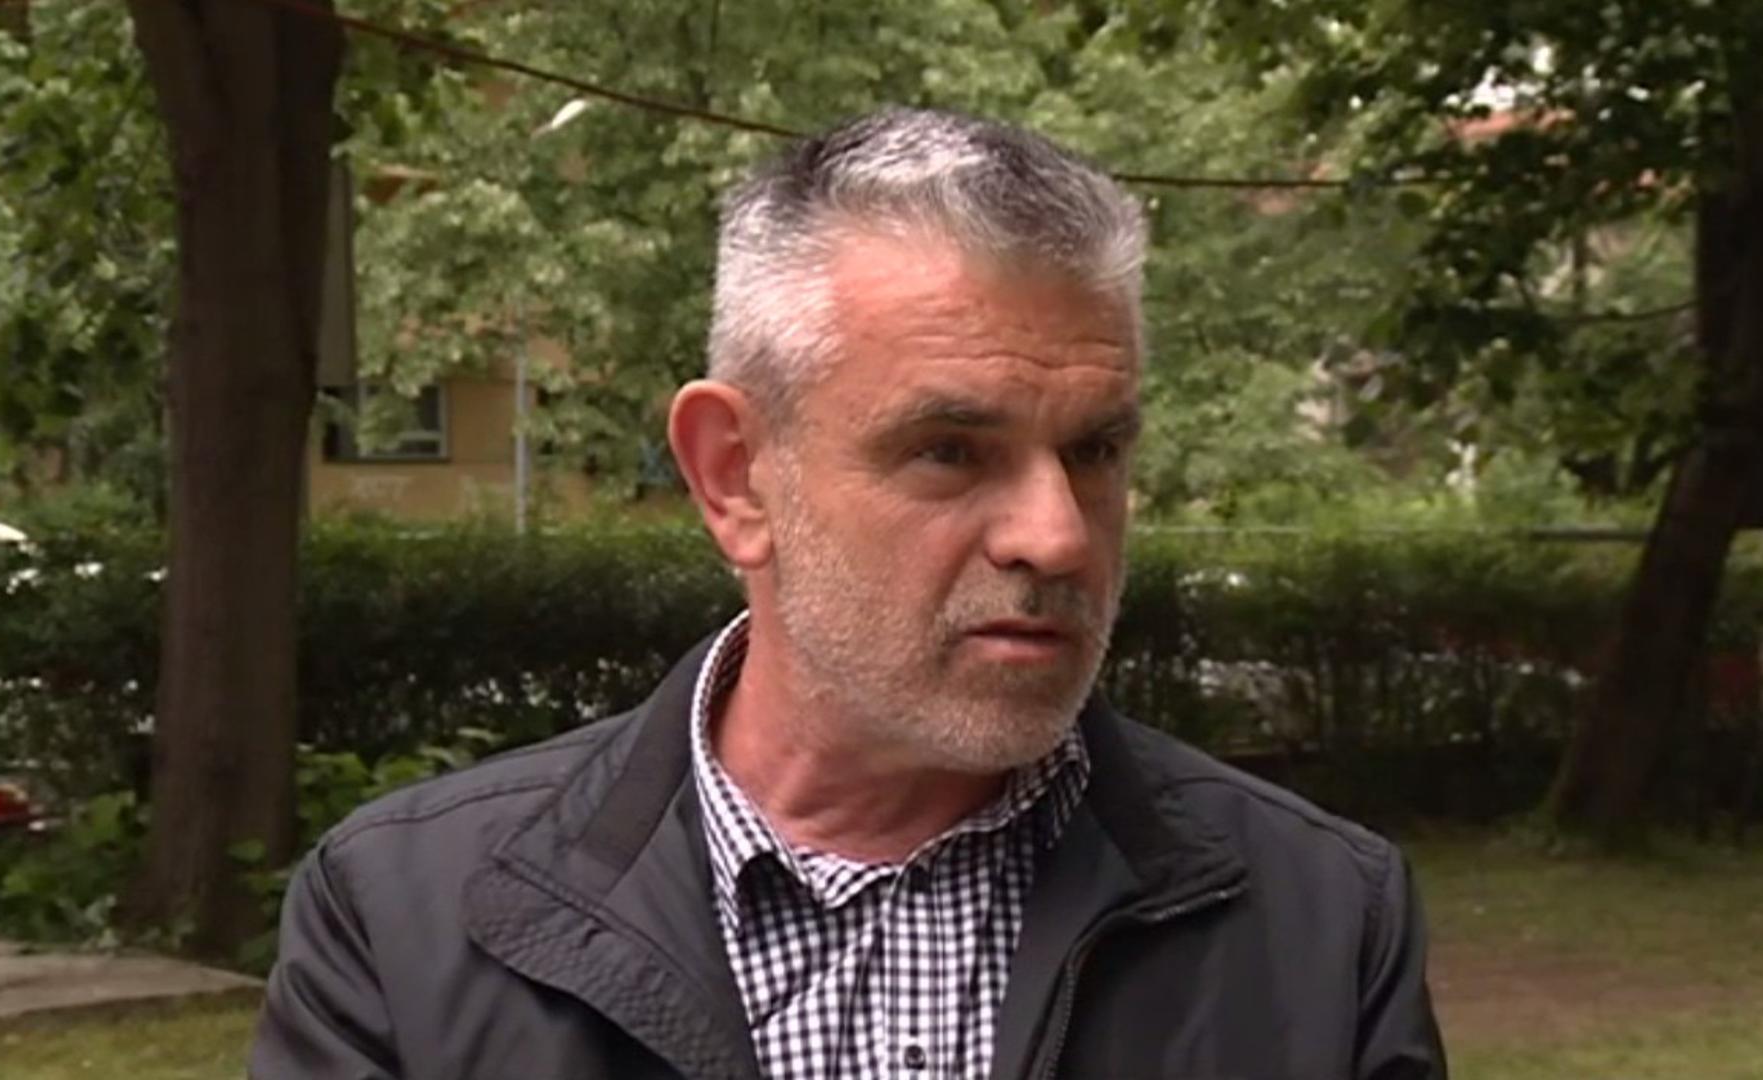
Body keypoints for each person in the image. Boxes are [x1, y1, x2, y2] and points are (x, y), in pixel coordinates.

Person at [251, 107, 1446, 1080]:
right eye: (950, 451)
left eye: (1094, 450)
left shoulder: (1320, 923)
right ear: (735, 476)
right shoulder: (407, 921)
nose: (1056, 536)